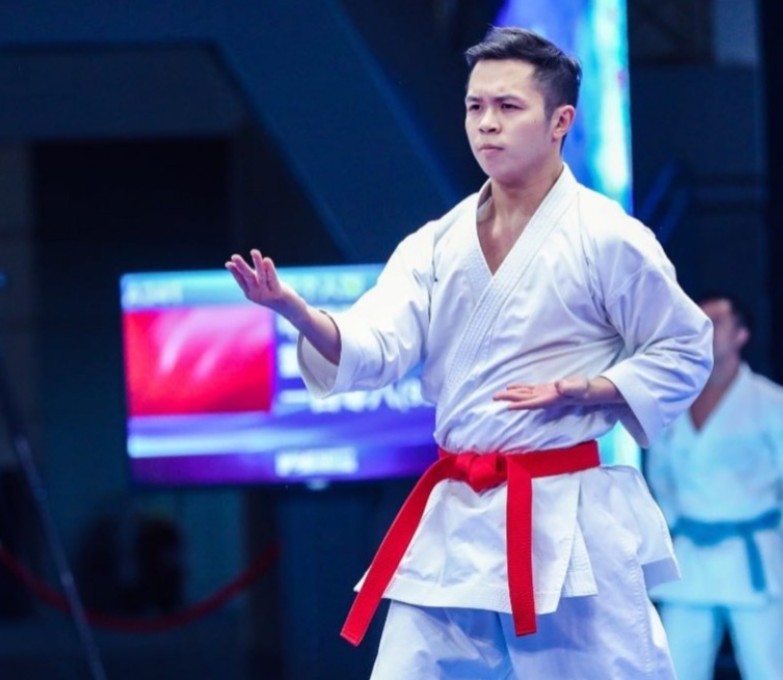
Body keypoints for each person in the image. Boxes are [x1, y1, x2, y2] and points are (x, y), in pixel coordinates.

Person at [227, 26, 713, 679]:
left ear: (560, 121)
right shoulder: (436, 243)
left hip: (564, 517)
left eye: (508, 107)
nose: (486, 124)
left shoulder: (608, 238)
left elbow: (684, 346)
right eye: (474, 107)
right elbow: (375, 344)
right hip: (458, 512)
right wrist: (295, 311)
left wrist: (593, 389)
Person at [644, 293, 783, 680]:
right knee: (674, 668)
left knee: (775, 668)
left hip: (753, 549)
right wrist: (674, 520)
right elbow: (659, 470)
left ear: (742, 335)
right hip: (691, 550)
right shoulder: (675, 402)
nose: (706, 331)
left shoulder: (773, 403)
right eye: (700, 322)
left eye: (718, 323)